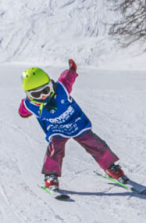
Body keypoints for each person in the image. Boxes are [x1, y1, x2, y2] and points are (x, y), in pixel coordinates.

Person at [18, 59, 130, 193]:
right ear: (28, 95)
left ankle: (110, 167)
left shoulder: (62, 90)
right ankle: (51, 176)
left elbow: (67, 78)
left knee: (96, 144)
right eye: (36, 94)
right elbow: (22, 111)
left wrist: (71, 70)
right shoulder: (28, 104)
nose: (43, 96)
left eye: (46, 90)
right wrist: (25, 113)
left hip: (76, 124)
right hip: (57, 130)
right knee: (54, 150)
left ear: (51, 85)